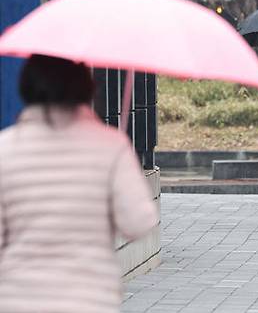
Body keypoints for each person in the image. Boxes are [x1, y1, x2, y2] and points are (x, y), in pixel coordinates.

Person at [0, 55, 158, 313]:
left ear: (26, 88)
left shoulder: (5, 148)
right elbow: (139, 223)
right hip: (89, 300)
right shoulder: (109, 147)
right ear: (87, 87)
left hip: (17, 301)